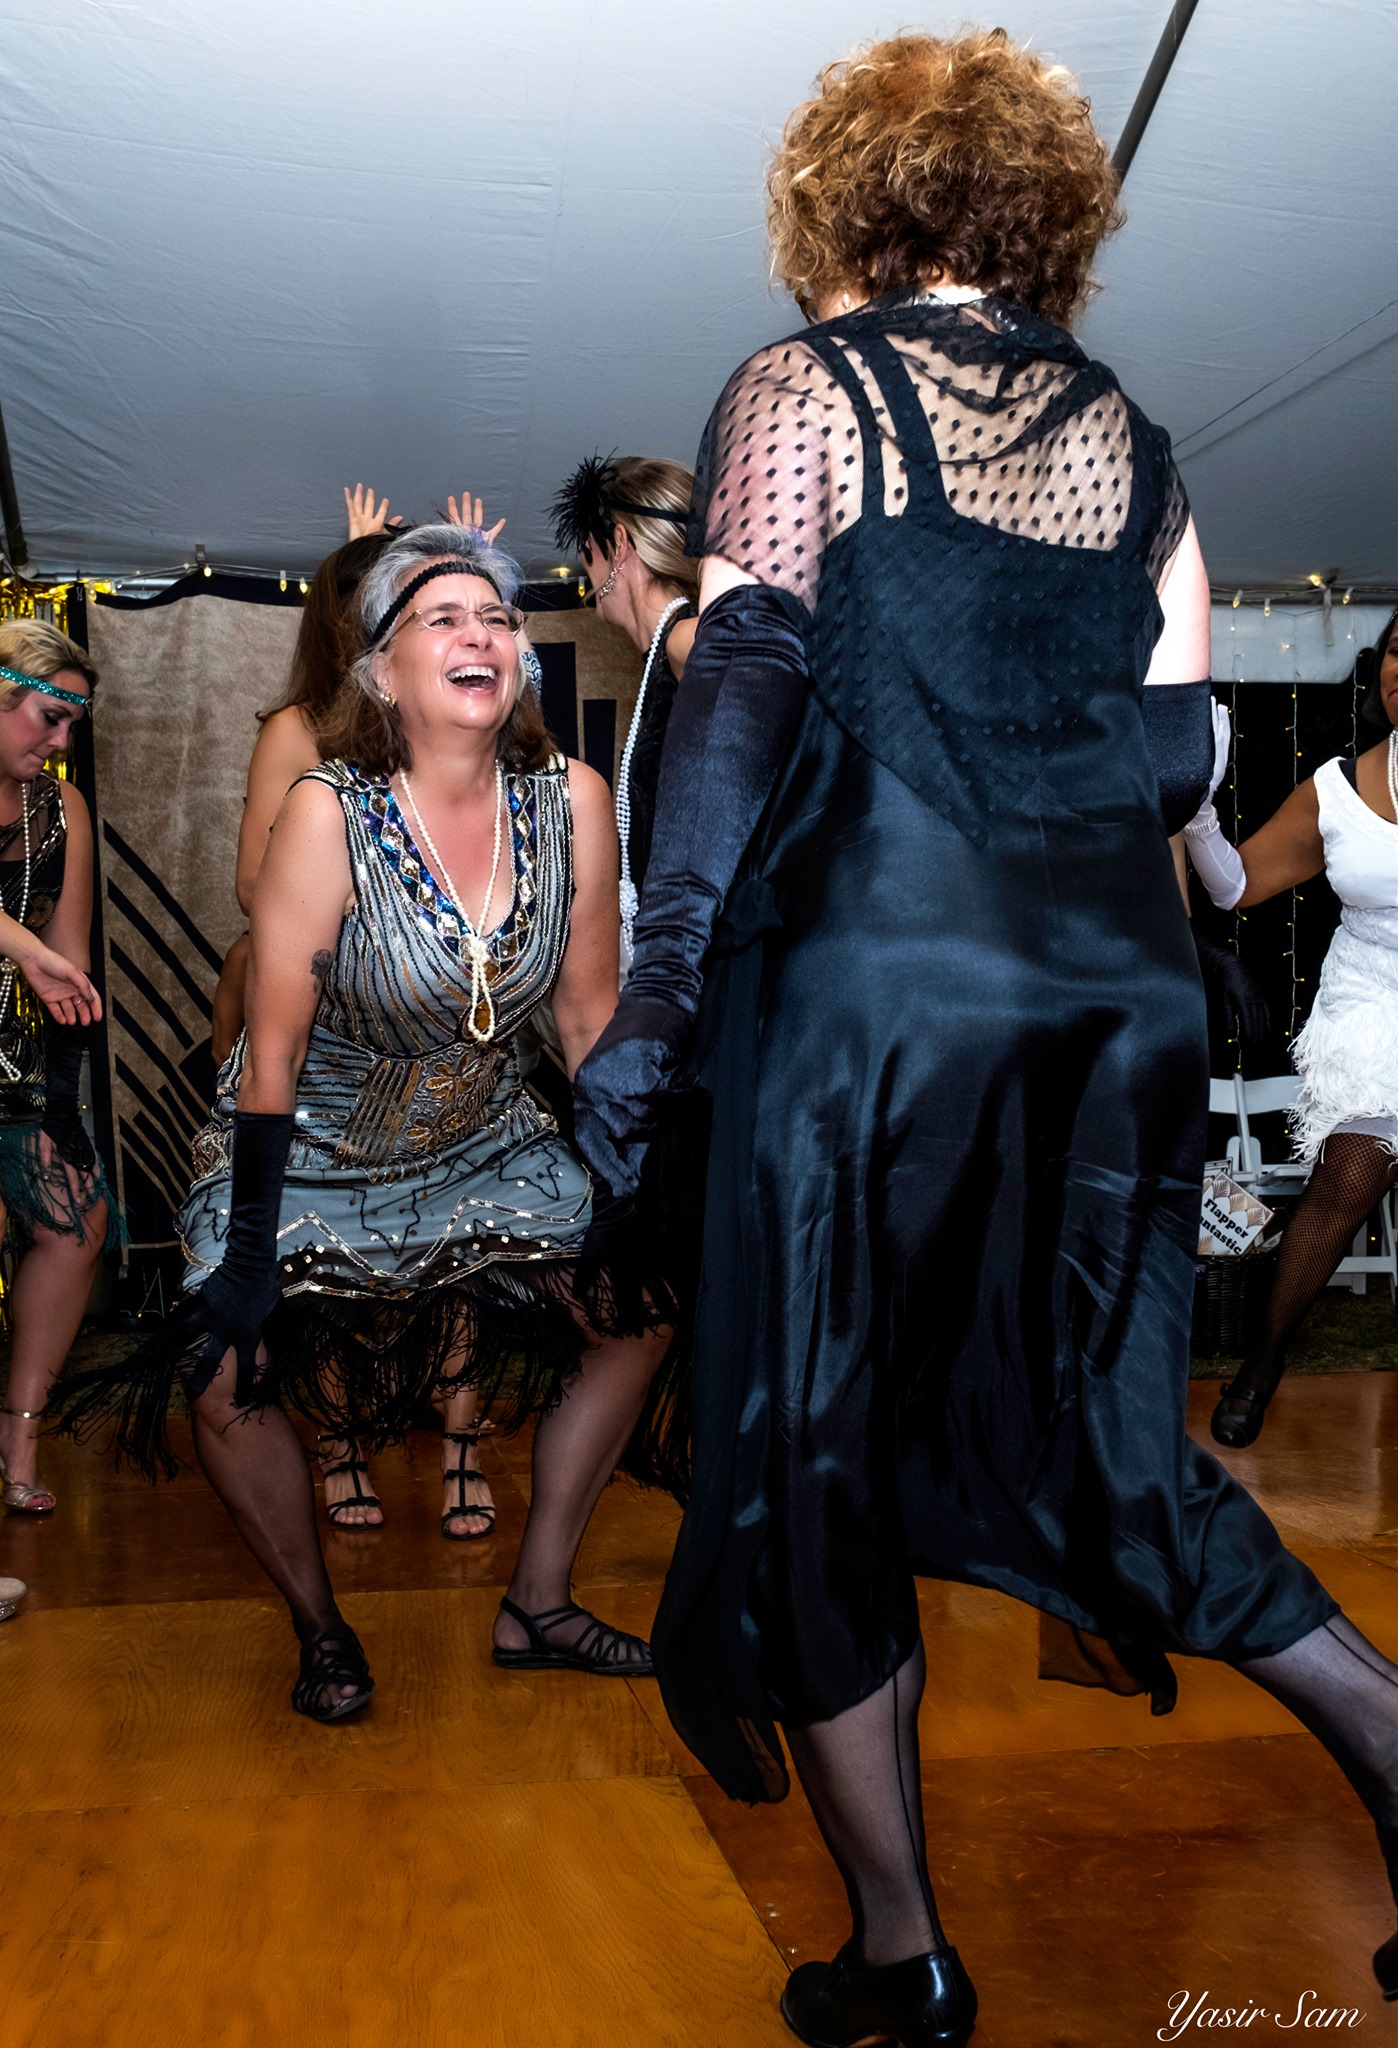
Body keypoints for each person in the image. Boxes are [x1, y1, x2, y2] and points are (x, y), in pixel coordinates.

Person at [572, 31, 1398, 2041]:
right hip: (1106, 1000)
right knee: (1092, 1434)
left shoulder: (806, 389)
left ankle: (901, 1952)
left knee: (815, 1437)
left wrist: (662, 985)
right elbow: (1186, 755)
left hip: (879, 987)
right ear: (1039, 212)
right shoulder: (1141, 441)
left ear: (841, 205)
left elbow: (749, 683)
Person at [63, 523, 671, 1721]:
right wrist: (244, 1247)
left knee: (637, 1314)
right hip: (320, 1137)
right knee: (219, 1368)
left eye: (495, 619)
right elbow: (271, 1044)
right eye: (440, 619)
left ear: (520, 666)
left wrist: (632, 1186)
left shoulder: (574, 802)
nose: (478, 633)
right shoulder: (328, 813)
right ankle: (321, 1624)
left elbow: (591, 1019)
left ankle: (538, 1596)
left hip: (484, 1126)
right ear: (382, 672)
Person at [217, 485, 509, 1537]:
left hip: (444, 1030)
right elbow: (258, 888)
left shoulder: (459, 725)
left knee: (467, 1236)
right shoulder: (299, 729)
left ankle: (464, 1444)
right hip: (335, 1026)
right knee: (329, 1247)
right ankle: (339, 1446)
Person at [1188, 605, 1398, 1448]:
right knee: (1348, 1177)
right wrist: (1201, 809)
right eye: (1393, 651)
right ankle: (1262, 1362)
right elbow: (1234, 889)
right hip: (1372, 1007)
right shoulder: (1337, 789)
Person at [0, 620, 121, 1516]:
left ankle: (21, 1440)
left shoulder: (62, 812)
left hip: (14, 1064)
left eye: (71, 725)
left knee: (80, 1222)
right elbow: (34, 954)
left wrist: (65, 1110)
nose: (59, 742)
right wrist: (22, 951)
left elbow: (67, 964)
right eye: (47, 719)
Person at [550, 456, 698, 965]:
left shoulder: (686, 639)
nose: (587, 576)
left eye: (587, 555)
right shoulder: (664, 653)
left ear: (618, 546)